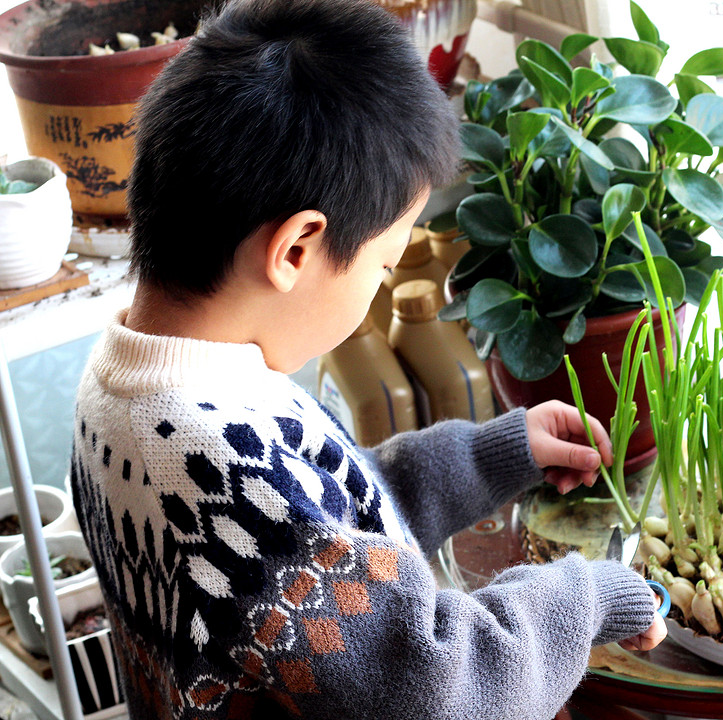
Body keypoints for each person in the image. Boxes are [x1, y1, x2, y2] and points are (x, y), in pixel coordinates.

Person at [68, 0, 665, 718]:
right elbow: (448, 690)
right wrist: (593, 592)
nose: (382, 281)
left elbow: (327, 534)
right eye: (383, 265)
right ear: (296, 250)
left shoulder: (136, 382)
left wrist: (487, 459)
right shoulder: (217, 465)